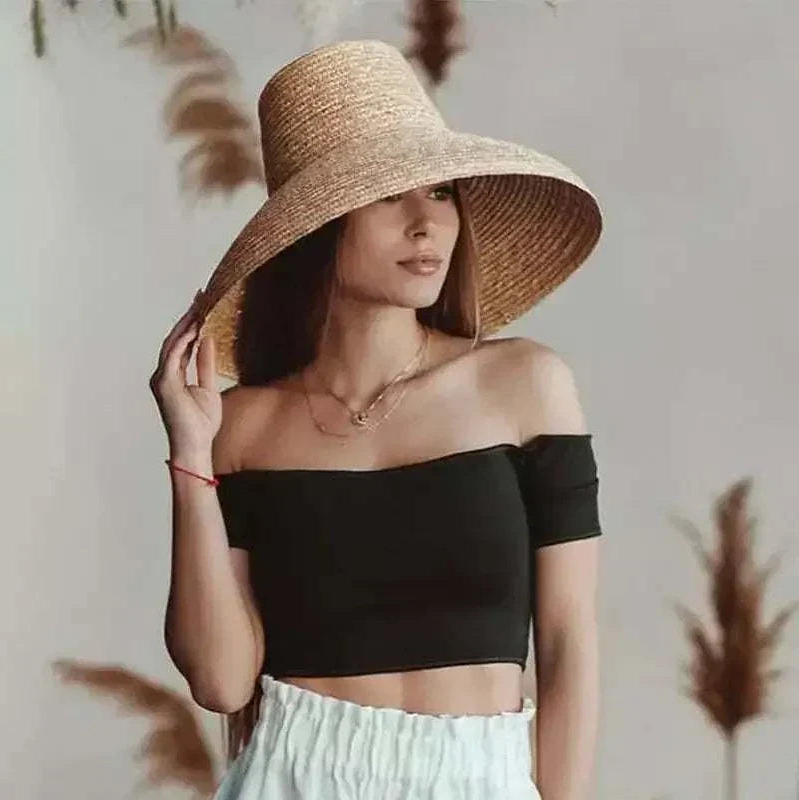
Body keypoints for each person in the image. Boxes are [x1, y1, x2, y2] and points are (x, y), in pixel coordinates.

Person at [150, 39, 604, 800]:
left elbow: (569, 646)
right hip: (292, 776)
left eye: (440, 193)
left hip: (479, 776)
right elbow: (224, 681)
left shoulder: (524, 385)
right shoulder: (241, 426)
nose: (427, 224)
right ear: (317, 227)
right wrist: (191, 455)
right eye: (390, 195)